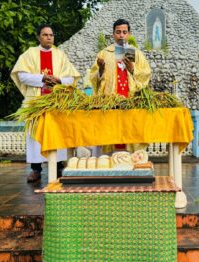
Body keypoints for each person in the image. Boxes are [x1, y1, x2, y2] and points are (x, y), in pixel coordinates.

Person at [11, 24, 80, 183]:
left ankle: (58, 167)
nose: (49, 37)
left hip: (57, 102)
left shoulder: (60, 55)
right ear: (38, 37)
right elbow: (21, 75)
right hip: (35, 102)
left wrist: (59, 80)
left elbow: (72, 78)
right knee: (35, 135)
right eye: (45, 35)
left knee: (57, 133)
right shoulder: (30, 54)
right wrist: (41, 78)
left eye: (51, 35)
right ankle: (36, 169)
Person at [89, 19, 151, 153]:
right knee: (110, 138)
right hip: (111, 104)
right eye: (118, 32)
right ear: (113, 34)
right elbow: (93, 79)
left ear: (129, 34)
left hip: (131, 103)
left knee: (131, 136)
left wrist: (133, 69)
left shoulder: (137, 54)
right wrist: (100, 70)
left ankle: (132, 164)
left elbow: (146, 75)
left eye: (124, 32)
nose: (121, 35)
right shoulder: (104, 54)